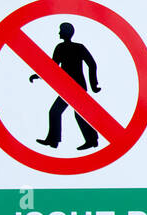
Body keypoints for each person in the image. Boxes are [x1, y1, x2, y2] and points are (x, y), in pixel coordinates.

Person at [30, 21, 102, 150]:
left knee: (63, 113)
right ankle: (57, 140)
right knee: (62, 112)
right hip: (67, 87)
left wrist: (94, 84)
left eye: (60, 30)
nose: (59, 33)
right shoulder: (61, 47)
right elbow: (52, 67)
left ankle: (89, 140)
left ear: (66, 32)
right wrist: (38, 75)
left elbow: (92, 63)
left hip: (75, 87)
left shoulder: (76, 47)